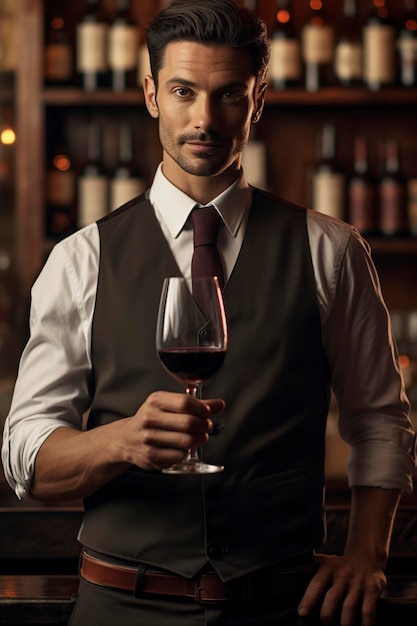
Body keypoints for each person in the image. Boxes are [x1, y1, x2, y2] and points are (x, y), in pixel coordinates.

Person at [2, 1, 416, 624]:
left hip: (283, 606)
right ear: (150, 94)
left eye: (228, 95)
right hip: (120, 606)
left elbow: (381, 417)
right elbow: (26, 459)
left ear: (258, 99)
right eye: (182, 91)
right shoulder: (79, 258)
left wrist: (366, 553)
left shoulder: (330, 249)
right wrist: (120, 442)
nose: (203, 119)